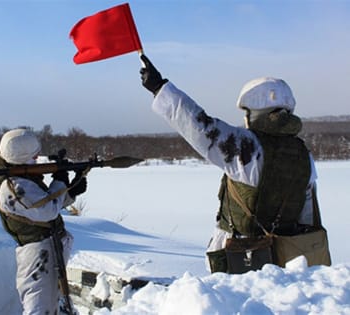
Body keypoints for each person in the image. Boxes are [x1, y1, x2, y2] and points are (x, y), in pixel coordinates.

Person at [139, 54, 326, 273]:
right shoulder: (304, 154)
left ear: (254, 111)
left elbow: (201, 127)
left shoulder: (246, 147)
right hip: (284, 261)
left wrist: (160, 89)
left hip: (240, 256)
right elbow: (307, 217)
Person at [0, 128, 86, 314]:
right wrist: (60, 180)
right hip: (36, 255)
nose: (36, 160)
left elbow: (46, 201)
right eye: (34, 157)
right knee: (38, 307)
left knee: (51, 302)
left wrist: (71, 191)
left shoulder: (22, 178)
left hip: (47, 248)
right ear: (21, 157)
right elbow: (46, 210)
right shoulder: (13, 186)